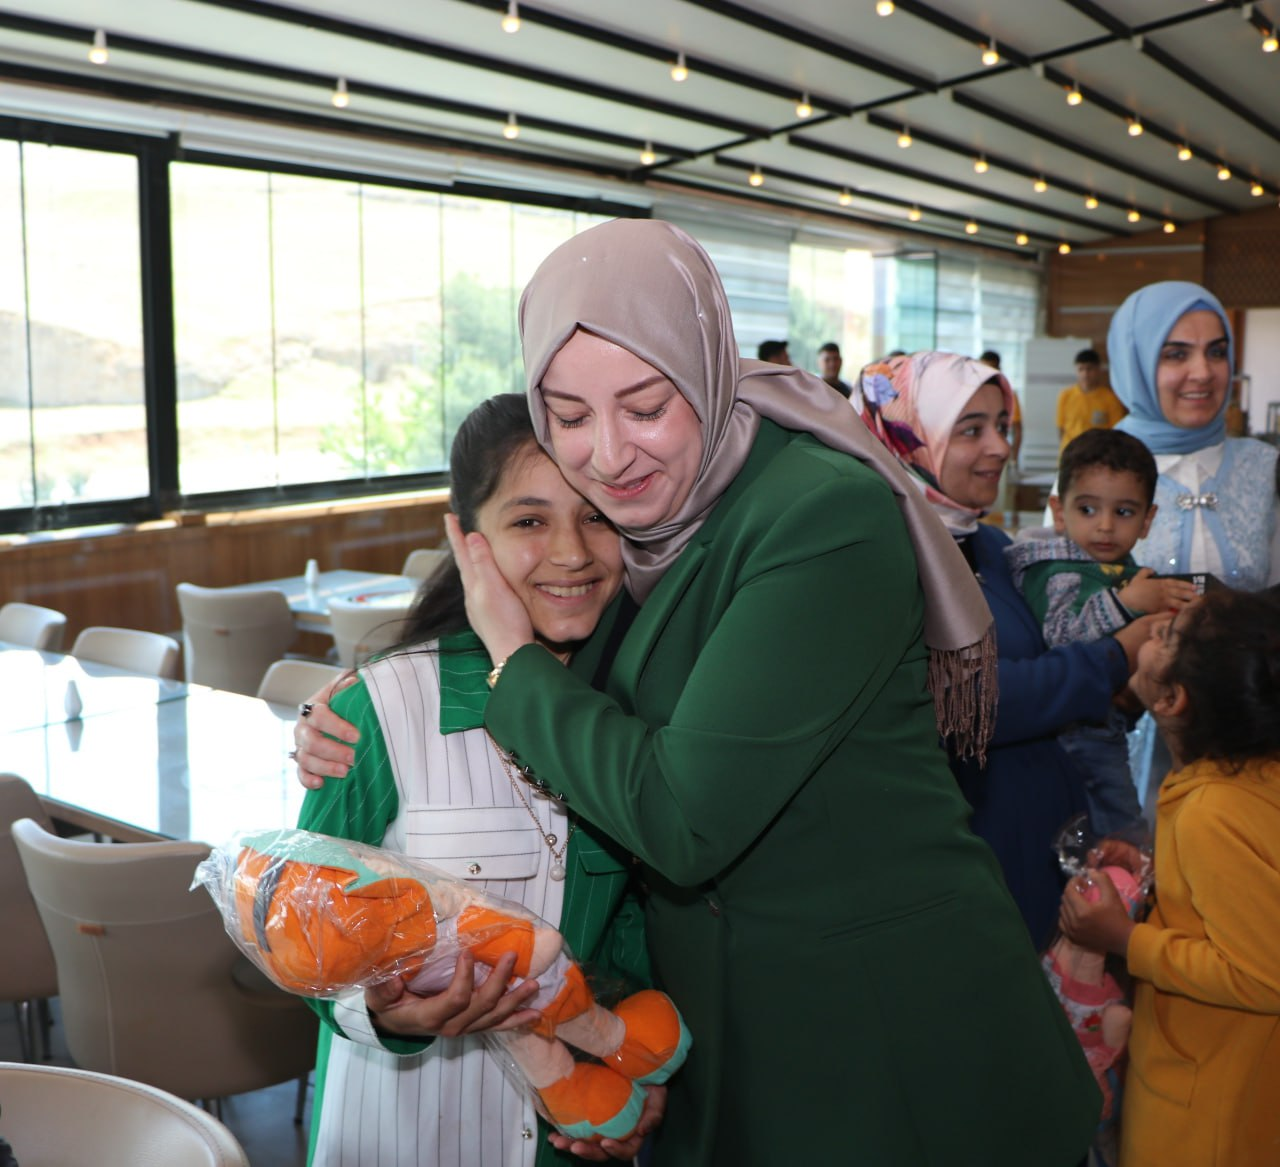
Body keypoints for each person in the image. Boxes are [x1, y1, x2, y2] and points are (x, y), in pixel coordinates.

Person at [432, 219, 1102, 1166]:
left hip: (899, 1045)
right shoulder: (651, 526)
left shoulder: (821, 517)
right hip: (745, 1044)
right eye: (570, 417)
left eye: (645, 404)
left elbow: (680, 815)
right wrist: (375, 708)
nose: (610, 454)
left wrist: (506, 655)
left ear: (705, 365)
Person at [294, 393, 658, 1167]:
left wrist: (636, 1084)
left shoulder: (638, 721)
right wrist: (389, 1013)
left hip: (571, 1136)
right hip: (404, 1134)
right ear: (467, 540)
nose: (572, 552)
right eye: (529, 521)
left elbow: (634, 948)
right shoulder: (379, 711)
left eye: (596, 516)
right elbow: (303, 937)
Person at [854, 353, 1158, 946]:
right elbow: (969, 700)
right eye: (972, 429)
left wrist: (1127, 693)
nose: (999, 447)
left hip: (1046, 839)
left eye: (1003, 425)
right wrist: (1115, 656)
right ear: (908, 438)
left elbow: (1054, 667)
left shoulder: (990, 545)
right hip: (963, 858)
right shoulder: (888, 559)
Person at [1060, 588, 1280, 1166]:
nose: (1152, 631)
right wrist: (1153, 879)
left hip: (1208, 1106)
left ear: (1174, 699)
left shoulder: (1212, 811)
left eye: (1167, 635)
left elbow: (1261, 974)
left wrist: (1124, 940)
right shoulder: (1251, 780)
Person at [1107, 280, 1280, 812]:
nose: (1202, 372)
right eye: (1176, 354)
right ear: (1136, 361)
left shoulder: (1263, 466)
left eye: (1217, 351)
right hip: (1122, 738)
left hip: (1252, 741)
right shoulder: (1099, 470)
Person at [1005, 429, 1198, 833]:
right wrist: (1128, 602)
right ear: (1059, 512)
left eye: (1124, 513)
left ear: (1148, 520)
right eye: (1088, 510)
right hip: (1077, 729)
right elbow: (1061, 636)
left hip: (1099, 719)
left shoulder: (1114, 566)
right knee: (1124, 828)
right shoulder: (1057, 569)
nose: (1105, 527)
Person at [1058, 348, 1127, 451]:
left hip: (1098, 454)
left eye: (1089, 369)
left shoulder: (1110, 398)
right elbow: (1061, 428)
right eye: (1081, 369)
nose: (1085, 374)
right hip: (1071, 452)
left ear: (1098, 369)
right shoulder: (1065, 396)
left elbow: (1115, 433)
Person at [979, 349, 1021, 465]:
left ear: (998, 370)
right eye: (983, 369)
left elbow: (1017, 430)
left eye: (990, 369)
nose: (986, 374)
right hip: (978, 453)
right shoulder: (972, 396)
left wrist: (1013, 459)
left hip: (1000, 454)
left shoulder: (1009, 396)